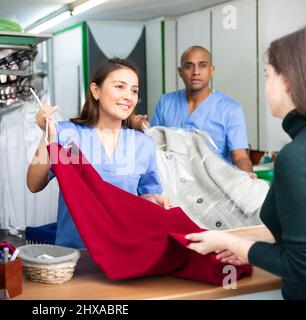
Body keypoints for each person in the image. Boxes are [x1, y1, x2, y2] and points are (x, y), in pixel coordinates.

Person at [184, 27, 306, 300]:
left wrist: (229, 241)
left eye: (268, 76)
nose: (266, 87)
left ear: (289, 81)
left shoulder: (295, 157)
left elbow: (301, 266)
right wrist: (248, 246)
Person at [27, 58, 173, 249]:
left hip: (125, 248)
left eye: (134, 90)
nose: (128, 96)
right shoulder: (66, 134)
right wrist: (47, 135)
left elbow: (144, 195)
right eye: (120, 87)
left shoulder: (143, 143)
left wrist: (154, 199)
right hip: (75, 251)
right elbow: (34, 184)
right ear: (96, 91)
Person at [132, 46, 254, 176]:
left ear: (211, 70)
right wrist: (142, 127)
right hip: (172, 182)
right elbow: (154, 145)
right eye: (189, 66)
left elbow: (240, 157)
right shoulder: (166, 102)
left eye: (202, 66)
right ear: (180, 71)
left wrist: (246, 177)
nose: (196, 72)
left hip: (215, 185)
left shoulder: (230, 109)